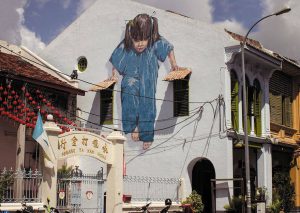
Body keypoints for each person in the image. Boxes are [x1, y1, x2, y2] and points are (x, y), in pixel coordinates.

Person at [109, 13, 179, 150]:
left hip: (148, 79)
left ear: (149, 36)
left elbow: (169, 48)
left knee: (147, 103)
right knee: (129, 93)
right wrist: (113, 74)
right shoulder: (126, 45)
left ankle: (146, 134)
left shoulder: (155, 42)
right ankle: (133, 127)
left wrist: (174, 64)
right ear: (131, 37)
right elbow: (116, 60)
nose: (140, 44)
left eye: (144, 39)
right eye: (136, 40)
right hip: (131, 77)